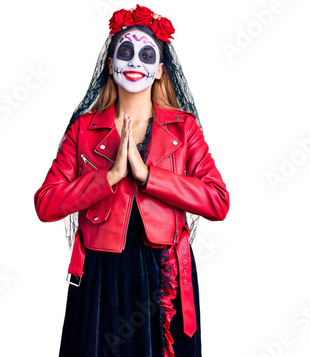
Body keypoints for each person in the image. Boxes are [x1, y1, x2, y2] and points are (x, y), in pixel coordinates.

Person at [34, 5, 230, 356]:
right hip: (100, 274)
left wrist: (148, 175)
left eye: (146, 54)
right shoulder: (84, 129)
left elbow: (217, 201)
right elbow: (46, 203)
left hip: (163, 274)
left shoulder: (183, 128)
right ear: (111, 65)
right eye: (125, 52)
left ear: (159, 70)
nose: (135, 62)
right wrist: (109, 176)